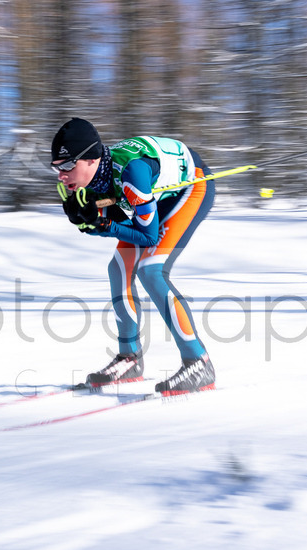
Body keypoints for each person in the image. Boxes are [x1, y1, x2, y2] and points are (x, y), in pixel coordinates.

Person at [50, 117, 216, 396]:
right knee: (119, 268)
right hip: (158, 196)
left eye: (67, 166)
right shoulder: (94, 179)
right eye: (56, 167)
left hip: (191, 187)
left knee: (151, 269)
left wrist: (102, 225)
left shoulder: (132, 173)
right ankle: (130, 359)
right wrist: (90, 223)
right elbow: (120, 217)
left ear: (90, 159)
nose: (61, 175)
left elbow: (147, 236)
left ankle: (199, 361)